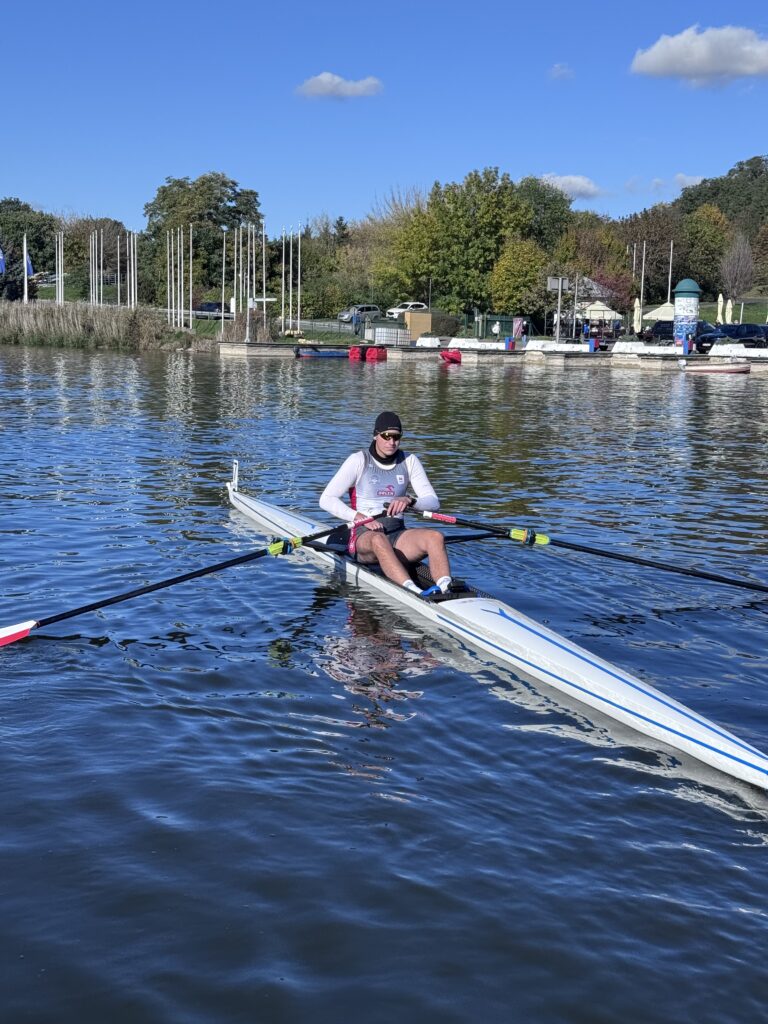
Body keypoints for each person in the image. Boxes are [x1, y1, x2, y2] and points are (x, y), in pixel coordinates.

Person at [319, 411, 453, 598]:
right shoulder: (358, 460)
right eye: (386, 436)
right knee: (378, 539)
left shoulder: (409, 461)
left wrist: (410, 500)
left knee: (435, 537)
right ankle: (414, 592)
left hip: (397, 534)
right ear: (376, 435)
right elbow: (326, 499)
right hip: (362, 536)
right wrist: (360, 518)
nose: (392, 442)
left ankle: (446, 588)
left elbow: (433, 502)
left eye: (396, 437)